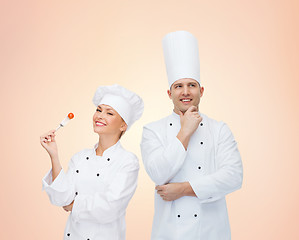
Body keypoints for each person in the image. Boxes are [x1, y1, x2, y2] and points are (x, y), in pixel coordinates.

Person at [141, 31, 243, 240]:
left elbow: (233, 177)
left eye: (191, 85)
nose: (185, 92)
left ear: (201, 90)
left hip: (212, 231)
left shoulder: (219, 129)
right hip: (169, 233)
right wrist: (185, 131)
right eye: (179, 86)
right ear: (169, 93)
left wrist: (184, 189)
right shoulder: (153, 130)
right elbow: (158, 174)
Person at [41, 84, 144, 240]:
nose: (100, 116)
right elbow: (60, 198)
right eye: (98, 110)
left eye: (109, 113)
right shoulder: (80, 158)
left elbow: (111, 207)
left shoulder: (128, 162)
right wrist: (54, 155)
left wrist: (73, 205)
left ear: (123, 125)